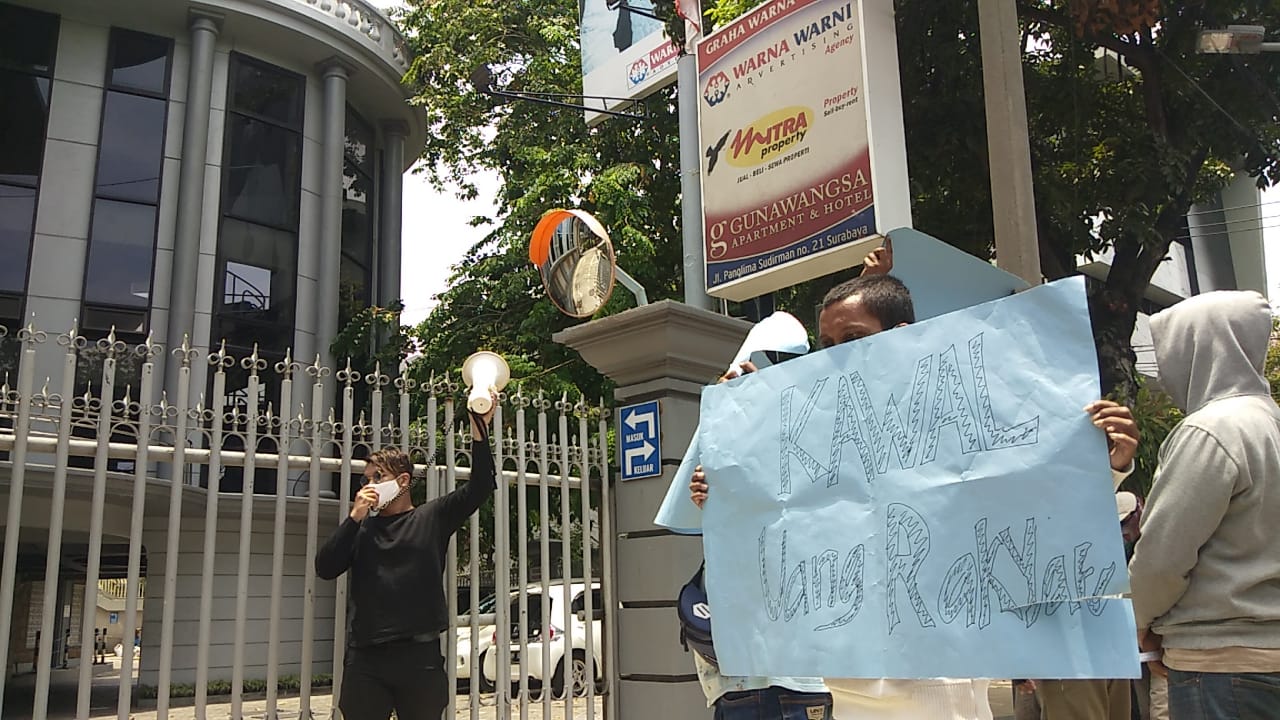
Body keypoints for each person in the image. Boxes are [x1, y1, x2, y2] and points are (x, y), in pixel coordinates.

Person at [691, 247, 1139, 720]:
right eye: (827, 344)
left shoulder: (956, 427)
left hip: (949, 699)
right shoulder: (813, 440)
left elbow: (1034, 519)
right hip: (849, 697)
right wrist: (731, 480)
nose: (836, 356)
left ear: (902, 338)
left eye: (853, 338)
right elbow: (777, 546)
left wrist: (1105, 469)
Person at [1127, 290, 1280, 720]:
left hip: (1221, 661)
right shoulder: (1269, 422)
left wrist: (1140, 621)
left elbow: (1163, 556)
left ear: (1195, 348)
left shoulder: (1211, 430)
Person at [316, 393, 497, 720]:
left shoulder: (432, 517)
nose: (369, 485)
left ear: (402, 481)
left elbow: (481, 485)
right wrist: (354, 518)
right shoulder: (361, 528)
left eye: (377, 478)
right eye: (365, 479)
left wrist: (479, 428)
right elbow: (325, 568)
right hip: (366, 659)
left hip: (419, 658)